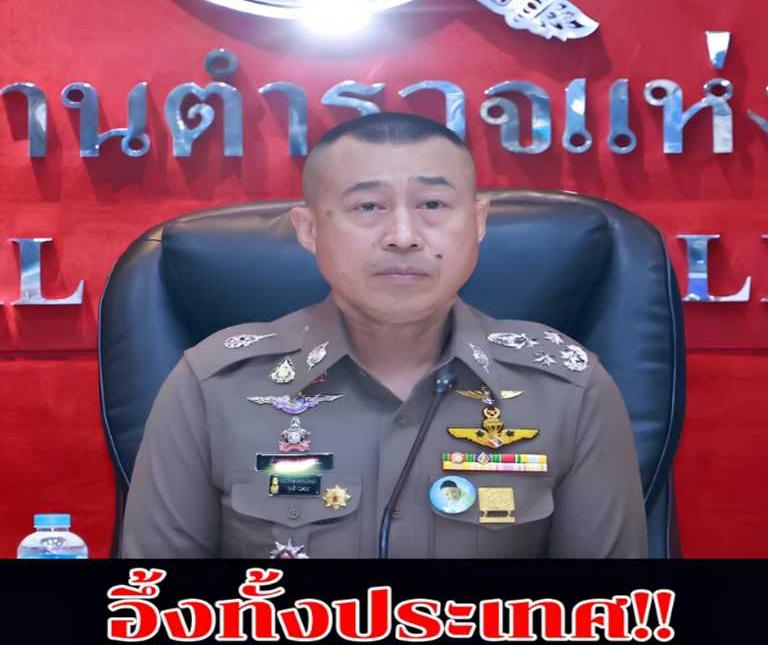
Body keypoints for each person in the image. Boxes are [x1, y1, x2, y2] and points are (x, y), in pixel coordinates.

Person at [122, 112, 647, 559]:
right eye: (368, 206)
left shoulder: (568, 389)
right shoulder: (213, 386)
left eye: (433, 205)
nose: (402, 236)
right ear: (309, 230)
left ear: (478, 222)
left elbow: (609, 616)